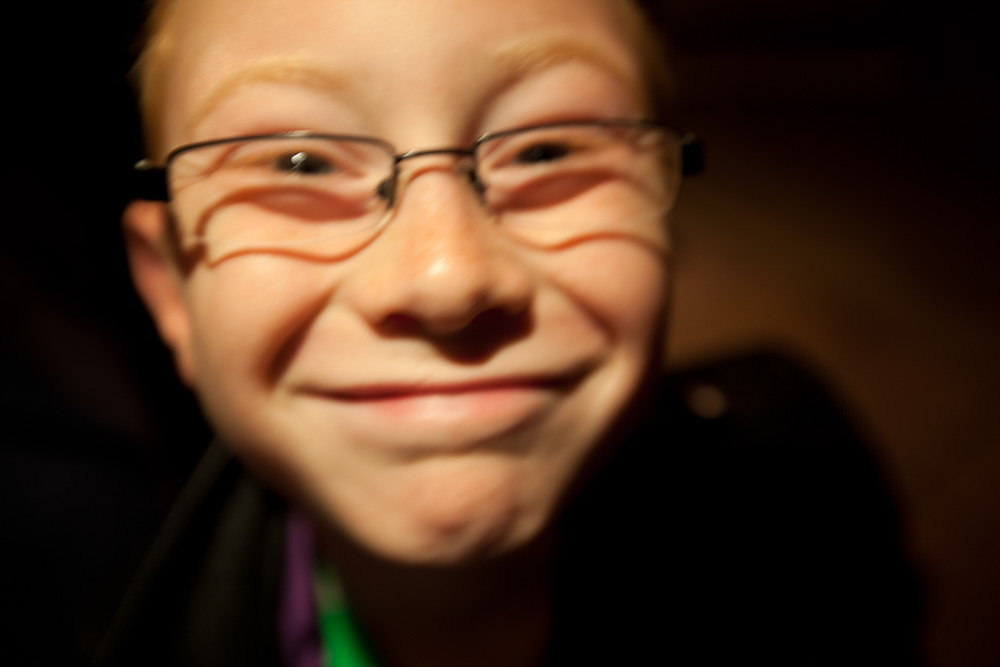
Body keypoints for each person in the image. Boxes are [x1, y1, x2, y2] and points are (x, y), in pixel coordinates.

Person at [95, 0, 924, 664]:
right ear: (171, 287)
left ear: (668, 226)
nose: (447, 278)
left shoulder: (814, 504)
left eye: (547, 150)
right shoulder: (82, 613)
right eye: (297, 163)